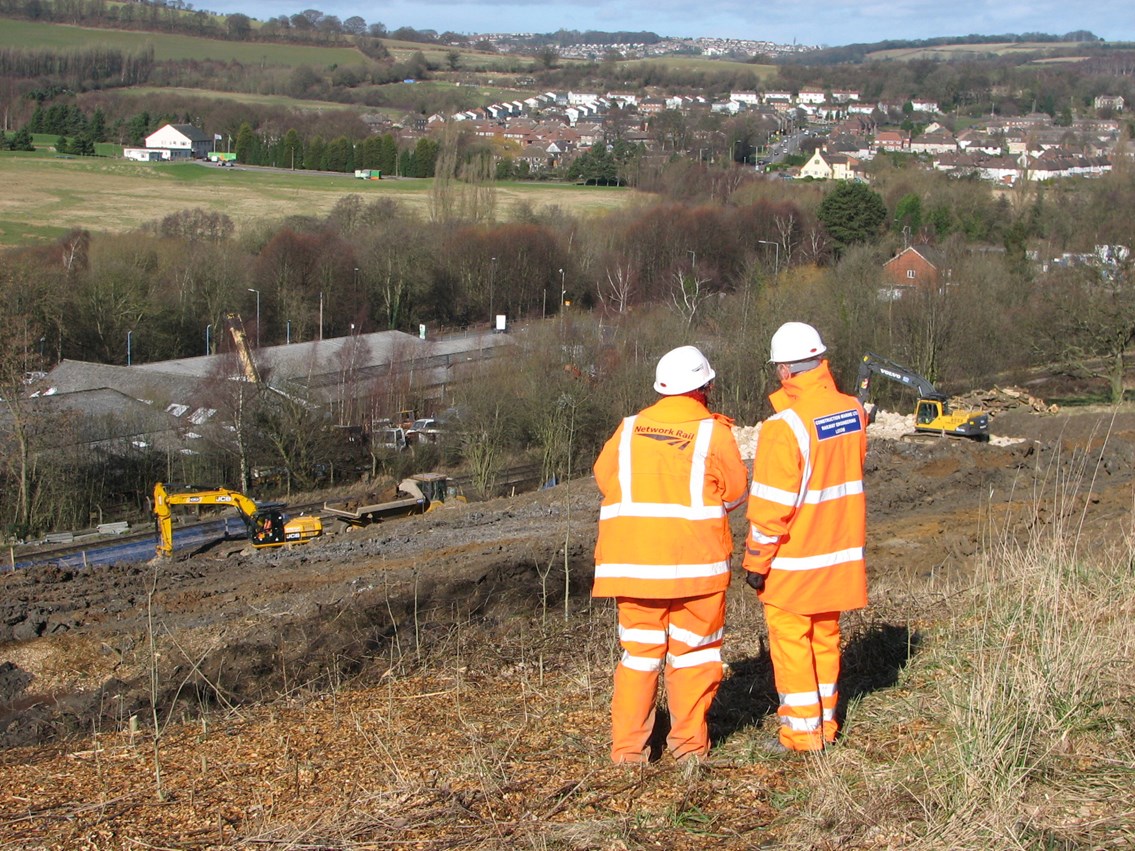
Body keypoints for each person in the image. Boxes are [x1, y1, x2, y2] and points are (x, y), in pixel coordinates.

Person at [592, 345, 748, 763]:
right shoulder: (714, 433)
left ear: (661, 388)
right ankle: (688, 750)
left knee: (639, 658)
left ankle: (628, 753)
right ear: (705, 387)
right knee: (694, 657)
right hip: (696, 570)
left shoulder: (627, 430)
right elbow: (735, 495)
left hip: (634, 569)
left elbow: (606, 480)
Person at [743, 322, 867, 753]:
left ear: (784, 371)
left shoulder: (784, 428)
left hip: (795, 563)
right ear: (821, 359)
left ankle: (802, 734)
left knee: (792, 645)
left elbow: (770, 509)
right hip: (838, 557)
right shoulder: (853, 411)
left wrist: (756, 562)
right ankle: (826, 724)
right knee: (826, 638)